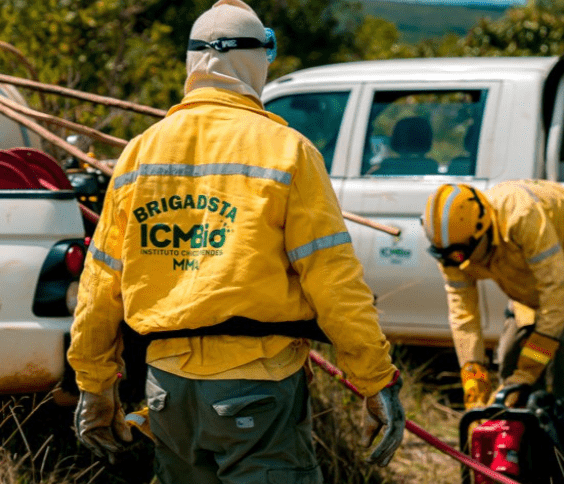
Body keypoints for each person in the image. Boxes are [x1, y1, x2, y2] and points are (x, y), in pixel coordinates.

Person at [67, 1, 404, 482]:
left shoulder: (140, 152)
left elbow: (101, 283)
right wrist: (376, 380)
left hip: (166, 393)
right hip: (258, 389)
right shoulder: (288, 151)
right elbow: (334, 282)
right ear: (256, 61)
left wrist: (95, 385)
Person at [421, 179, 564, 482]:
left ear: (484, 231)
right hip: (534, 274)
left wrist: (529, 371)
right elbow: (464, 318)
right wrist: (474, 384)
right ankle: (527, 456)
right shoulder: (454, 247)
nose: (458, 265)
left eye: (462, 256)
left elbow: (557, 294)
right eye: (451, 258)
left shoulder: (521, 217)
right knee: (509, 356)